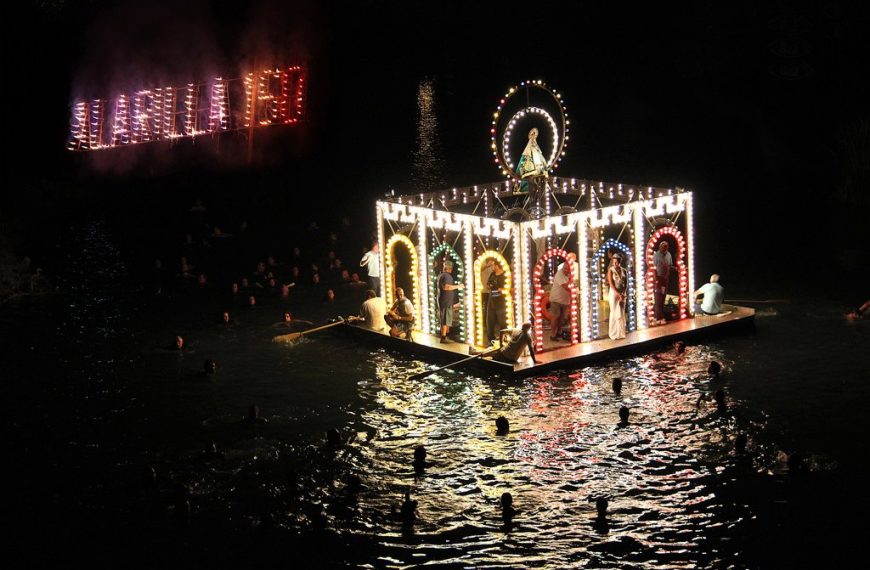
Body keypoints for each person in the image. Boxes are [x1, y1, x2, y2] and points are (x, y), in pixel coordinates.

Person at [471, 322, 537, 364]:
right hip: (511, 359)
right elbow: (531, 350)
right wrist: (535, 361)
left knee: (491, 349)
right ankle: (477, 353)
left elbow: (501, 331)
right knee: (492, 350)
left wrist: (501, 343)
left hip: (503, 354)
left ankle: (476, 353)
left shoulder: (515, 330)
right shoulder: (528, 337)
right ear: (529, 328)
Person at [436, 260, 464, 343]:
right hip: (446, 301)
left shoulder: (441, 275)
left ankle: (446, 335)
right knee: (445, 319)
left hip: (443, 300)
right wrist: (459, 286)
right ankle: (443, 337)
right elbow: (446, 287)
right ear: (449, 268)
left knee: (445, 318)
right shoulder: (447, 276)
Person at [516, 127, 549, 193]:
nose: (534, 136)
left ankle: (538, 186)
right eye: (533, 134)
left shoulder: (536, 148)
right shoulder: (528, 150)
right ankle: (529, 187)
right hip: (532, 168)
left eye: (535, 135)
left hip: (538, 167)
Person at [549, 258, 573, 341]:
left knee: (562, 318)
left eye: (568, 269)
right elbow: (565, 286)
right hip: (556, 299)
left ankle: (559, 332)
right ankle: (553, 334)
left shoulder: (570, 275)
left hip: (565, 300)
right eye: (565, 268)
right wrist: (574, 290)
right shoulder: (559, 274)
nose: (566, 270)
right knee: (555, 317)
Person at [606, 253, 627, 340]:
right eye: (613, 262)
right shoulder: (611, 270)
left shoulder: (624, 271)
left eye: (616, 262)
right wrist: (618, 294)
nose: (615, 263)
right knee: (614, 311)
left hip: (622, 293)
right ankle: (613, 333)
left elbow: (626, 284)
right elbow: (611, 284)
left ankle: (621, 333)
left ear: (619, 262)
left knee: (621, 312)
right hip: (614, 293)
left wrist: (623, 293)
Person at [652, 241, 674, 324]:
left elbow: (670, 266)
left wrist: (676, 268)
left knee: (663, 297)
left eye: (666, 247)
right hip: (658, 279)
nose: (665, 248)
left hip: (665, 280)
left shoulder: (669, 254)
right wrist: (656, 279)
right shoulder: (656, 255)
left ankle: (660, 316)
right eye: (663, 247)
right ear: (660, 247)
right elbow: (653, 268)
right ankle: (658, 318)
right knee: (658, 298)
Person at [486, 261, 508, 343]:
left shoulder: (505, 275)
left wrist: (502, 289)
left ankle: (503, 340)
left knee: (502, 322)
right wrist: (489, 286)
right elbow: (488, 284)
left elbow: (508, 287)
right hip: (491, 299)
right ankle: (491, 340)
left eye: (493, 265)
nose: (491, 267)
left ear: (497, 266)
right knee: (490, 321)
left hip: (501, 300)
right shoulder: (492, 274)